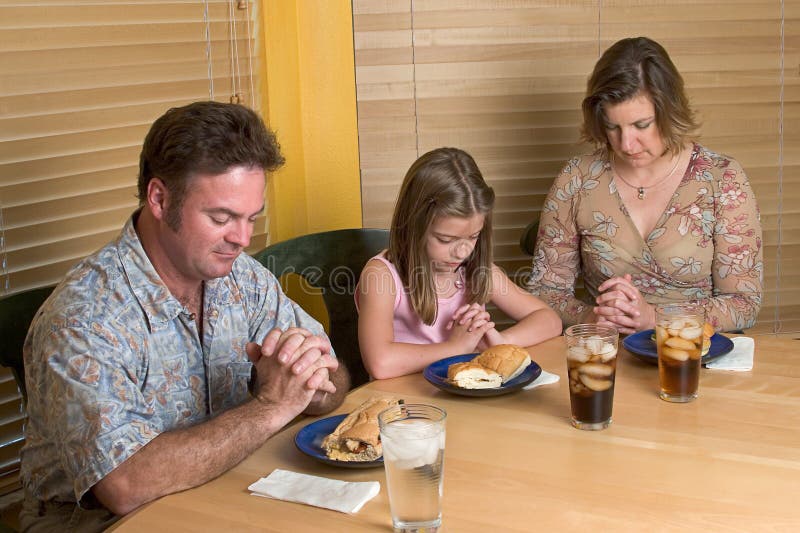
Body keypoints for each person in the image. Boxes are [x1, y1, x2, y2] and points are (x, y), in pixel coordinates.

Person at [19, 101, 350, 531]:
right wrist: (270, 405)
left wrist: (309, 379)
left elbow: (334, 374)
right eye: (221, 217)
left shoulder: (242, 278)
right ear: (160, 198)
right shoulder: (84, 319)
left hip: (227, 496)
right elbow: (126, 485)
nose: (243, 238)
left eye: (252, 218)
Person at [527, 37, 763, 334]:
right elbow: (544, 291)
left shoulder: (722, 179)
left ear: (669, 111)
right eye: (613, 127)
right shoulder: (577, 179)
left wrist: (655, 318)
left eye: (641, 125)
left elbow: (744, 304)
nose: (626, 144)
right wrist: (591, 317)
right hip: (606, 353)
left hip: (692, 359)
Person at [357, 147, 561, 379]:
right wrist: (455, 348)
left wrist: (500, 342)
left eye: (473, 237)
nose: (463, 252)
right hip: (408, 405)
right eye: (446, 239)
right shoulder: (382, 276)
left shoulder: (476, 272)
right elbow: (380, 363)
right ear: (414, 226)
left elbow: (549, 320)